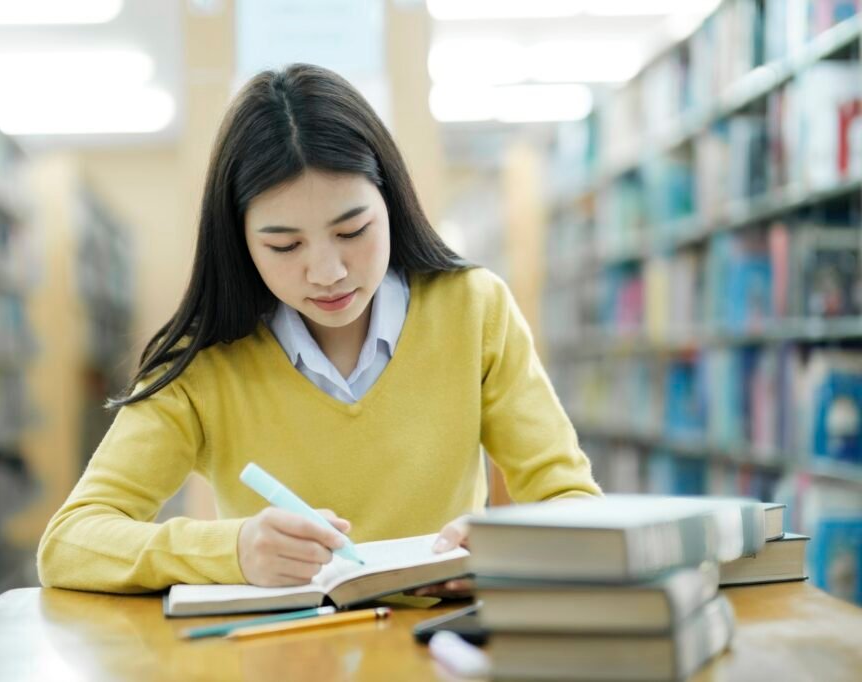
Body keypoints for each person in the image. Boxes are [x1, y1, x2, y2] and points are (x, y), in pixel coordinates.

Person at [37, 63, 601, 594]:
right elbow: (69, 544)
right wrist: (231, 550)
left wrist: (508, 544)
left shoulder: (474, 308)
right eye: (284, 245)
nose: (328, 273)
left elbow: (574, 501)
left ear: (392, 204)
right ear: (239, 242)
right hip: (282, 655)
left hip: (438, 649)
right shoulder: (204, 360)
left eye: (353, 230)